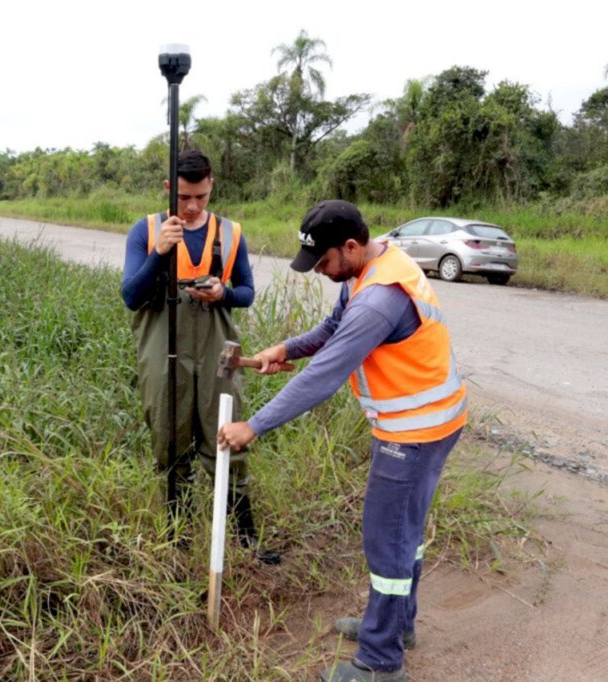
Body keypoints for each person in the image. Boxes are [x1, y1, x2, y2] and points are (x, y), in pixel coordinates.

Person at [217, 200, 467, 681]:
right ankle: (397, 627)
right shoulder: (373, 266)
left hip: (414, 432)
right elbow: (334, 328)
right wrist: (286, 348)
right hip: (429, 423)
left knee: (387, 540)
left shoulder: (379, 301)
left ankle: (379, 662)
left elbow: (324, 377)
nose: (320, 271)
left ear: (350, 247)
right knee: (404, 534)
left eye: (325, 261)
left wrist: (254, 425)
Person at [121, 149, 279, 565]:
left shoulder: (230, 233)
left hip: (216, 350)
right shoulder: (147, 230)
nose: (192, 207)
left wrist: (222, 293)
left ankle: (245, 539)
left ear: (211, 188)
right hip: (163, 348)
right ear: (170, 189)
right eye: (185, 197)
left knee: (227, 436)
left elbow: (246, 293)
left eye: (202, 197)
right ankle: (178, 542)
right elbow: (130, 296)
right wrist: (159, 253)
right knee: (170, 444)